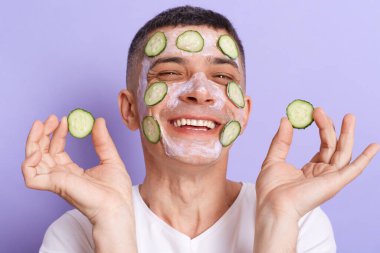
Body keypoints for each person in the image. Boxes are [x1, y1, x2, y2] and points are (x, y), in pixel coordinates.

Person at [21, 5, 379, 253]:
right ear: (130, 110)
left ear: (244, 112)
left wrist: (278, 220)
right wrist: (111, 222)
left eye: (223, 77)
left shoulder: (300, 220)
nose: (200, 92)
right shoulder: (79, 228)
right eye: (171, 73)